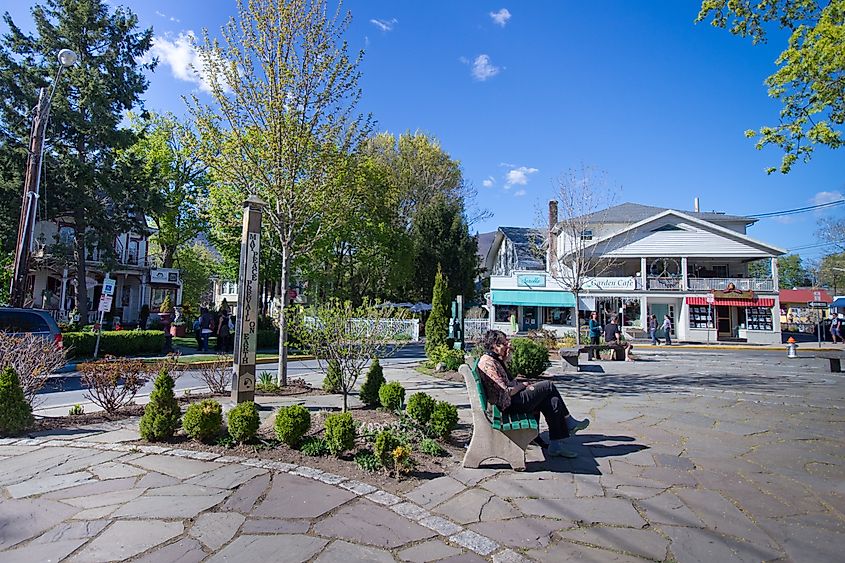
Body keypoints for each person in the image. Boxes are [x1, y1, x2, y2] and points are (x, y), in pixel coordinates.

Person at [476, 330, 589, 458]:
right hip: (508, 404)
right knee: (548, 386)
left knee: (551, 400)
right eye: (503, 343)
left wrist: (506, 360)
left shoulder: (494, 359)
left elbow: (509, 381)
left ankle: (556, 446)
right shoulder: (488, 363)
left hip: (510, 401)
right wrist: (522, 386)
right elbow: (508, 391)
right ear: (494, 345)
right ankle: (568, 422)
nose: (507, 345)